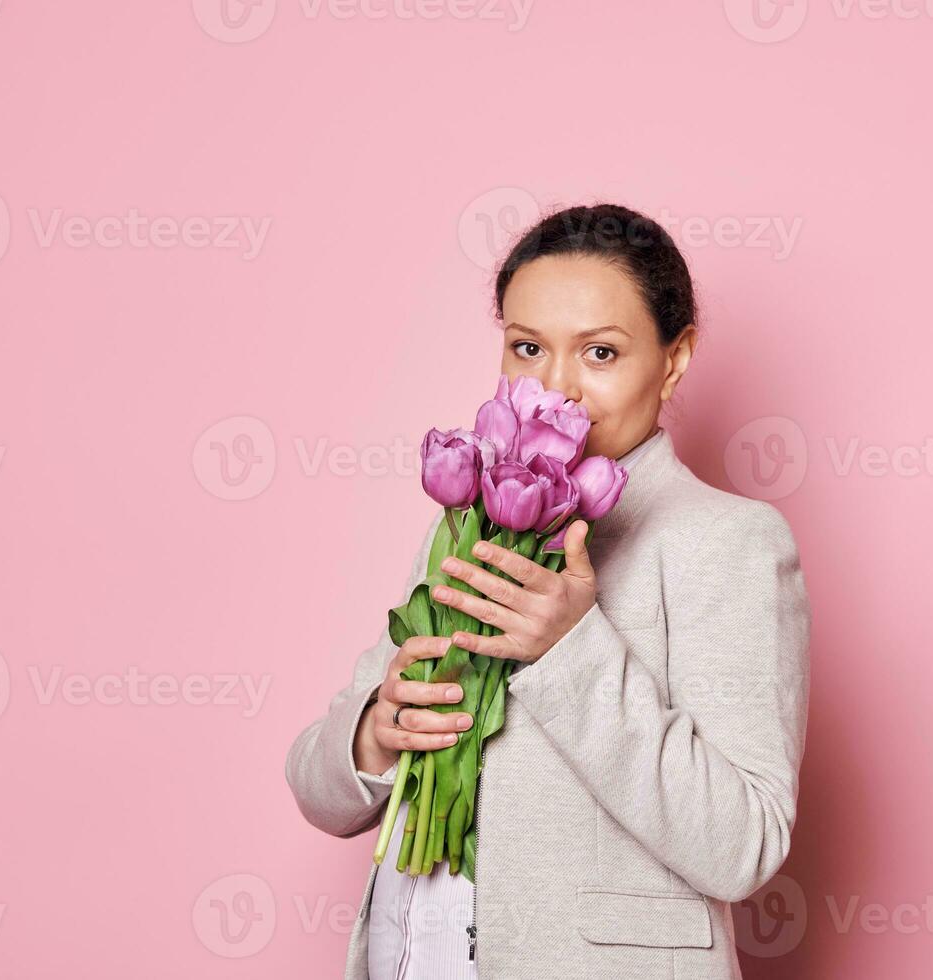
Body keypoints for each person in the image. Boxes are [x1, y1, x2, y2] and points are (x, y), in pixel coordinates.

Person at [285, 202, 812, 979]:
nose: (556, 389)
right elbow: (317, 789)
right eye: (527, 347)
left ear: (673, 359)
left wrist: (569, 648)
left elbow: (742, 844)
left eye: (600, 352)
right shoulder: (467, 520)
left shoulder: (725, 539)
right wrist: (373, 733)